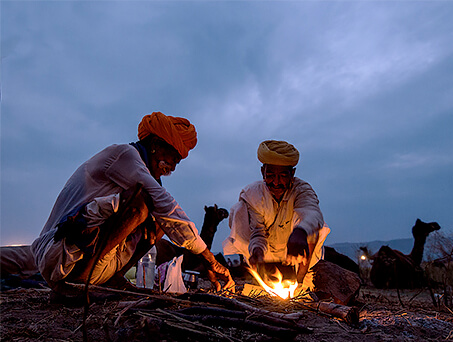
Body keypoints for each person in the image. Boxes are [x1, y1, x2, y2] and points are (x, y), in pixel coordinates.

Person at [31, 112, 234, 294]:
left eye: (177, 162)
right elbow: (165, 203)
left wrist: (204, 257)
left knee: (159, 222)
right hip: (59, 255)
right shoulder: (123, 154)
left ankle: (113, 277)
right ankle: (79, 282)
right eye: (171, 156)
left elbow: (167, 214)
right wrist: (209, 258)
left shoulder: (146, 174)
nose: (172, 166)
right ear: (154, 144)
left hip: (92, 260)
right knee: (143, 202)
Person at [222, 140, 330, 289]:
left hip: (297, 251)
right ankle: (264, 277)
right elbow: (258, 232)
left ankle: (300, 280)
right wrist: (257, 251)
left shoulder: (302, 190)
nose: (276, 182)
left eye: (283, 176)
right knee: (238, 209)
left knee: (313, 228)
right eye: (270, 175)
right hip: (268, 253)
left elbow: (313, 214)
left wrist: (300, 232)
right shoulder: (253, 194)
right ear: (262, 172)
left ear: (292, 173)